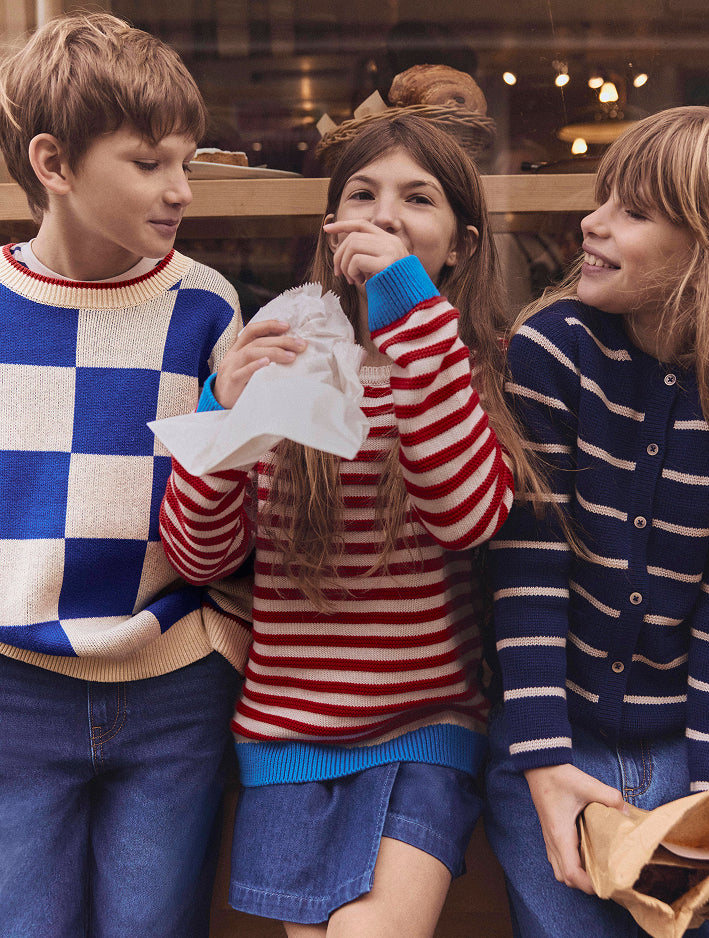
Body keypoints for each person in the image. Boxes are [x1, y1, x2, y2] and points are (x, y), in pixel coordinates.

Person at [159, 113, 536, 936]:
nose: (385, 214)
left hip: (423, 730)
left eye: (418, 198)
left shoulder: (479, 371)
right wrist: (223, 410)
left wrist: (408, 302)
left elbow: (467, 515)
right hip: (287, 741)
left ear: (463, 244)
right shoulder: (291, 358)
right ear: (331, 229)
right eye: (362, 194)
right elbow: (199, 552)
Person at [0, 13, 251, 937]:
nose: (181, 189)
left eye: (188, 160)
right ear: (54, 164)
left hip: (172, 687)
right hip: (14, 688)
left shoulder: (207, 306)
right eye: (149, 164)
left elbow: (221, 518)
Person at [485, 105, 709, 936]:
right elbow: (527, 573)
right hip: (549, 728)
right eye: (605, 199)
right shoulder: (551, 352)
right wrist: (544, 761)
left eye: (632, 212)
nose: (591, 223)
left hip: (694, 735)